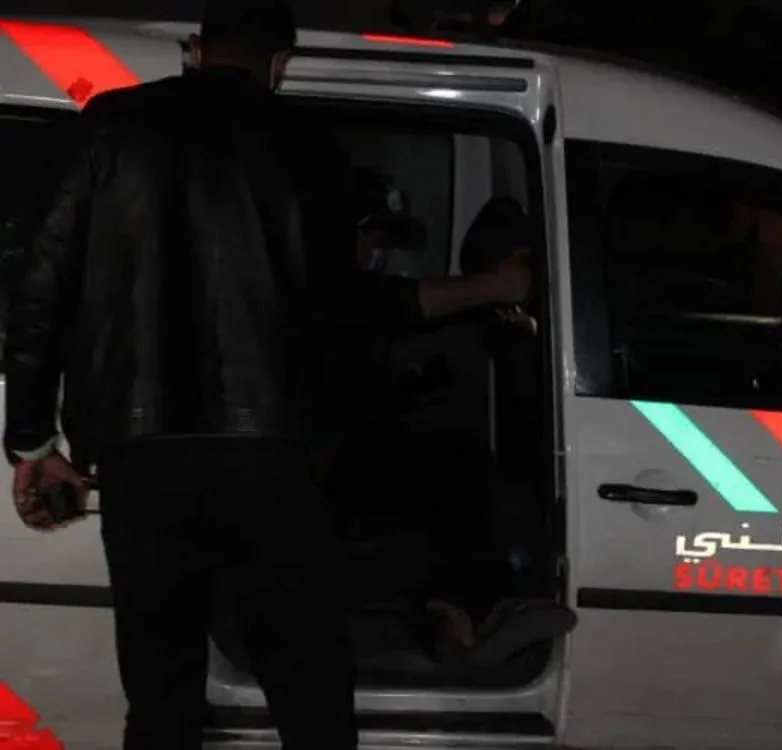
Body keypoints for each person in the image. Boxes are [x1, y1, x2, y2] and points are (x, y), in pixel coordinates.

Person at [2, 1, 531, 748]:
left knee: (160, 692)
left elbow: (39, 291)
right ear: (281, 62)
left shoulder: (110, 126)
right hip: (273, 461)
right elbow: (347, 310)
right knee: (309, 688)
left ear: (195, 48)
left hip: (141, 459)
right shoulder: (308, 146)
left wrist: (31, 441)